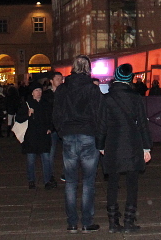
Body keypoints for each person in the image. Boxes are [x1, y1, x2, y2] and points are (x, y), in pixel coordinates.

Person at [97, 63, 152, 233]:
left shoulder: (107, 98)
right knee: (132, 183)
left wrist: (100, 145)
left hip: (113, 144)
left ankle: (113, 222)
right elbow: (143, 124)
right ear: (130, 78)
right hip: (132, 143)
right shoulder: (136, 98)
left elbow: (102, 125)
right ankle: (129, 221)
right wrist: (146, 147)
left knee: (113, 183)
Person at [53, 55, 103, 233]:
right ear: (88, 69)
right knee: (89, 181)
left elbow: (56, 113)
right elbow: (99, 114)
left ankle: (72, 222)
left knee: (71, 181)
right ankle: (87, 221)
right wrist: (99, 135)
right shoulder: (92, 89)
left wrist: (61, 130)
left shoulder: (62, 89)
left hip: (68, 135)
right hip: (88, 135)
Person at [18, 82, 55, 189]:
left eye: (40, 90)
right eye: (36, 91)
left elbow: (51, 117)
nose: (38, 93)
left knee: (46, 158)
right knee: (31, 159)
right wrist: (27, 114)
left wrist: (50, 128)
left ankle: (47, 180)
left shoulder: (46, 103)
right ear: (32, 93)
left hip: (44, 134)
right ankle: (31, 180)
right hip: (31, 136)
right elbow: (19, 119)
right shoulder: (27, 104)